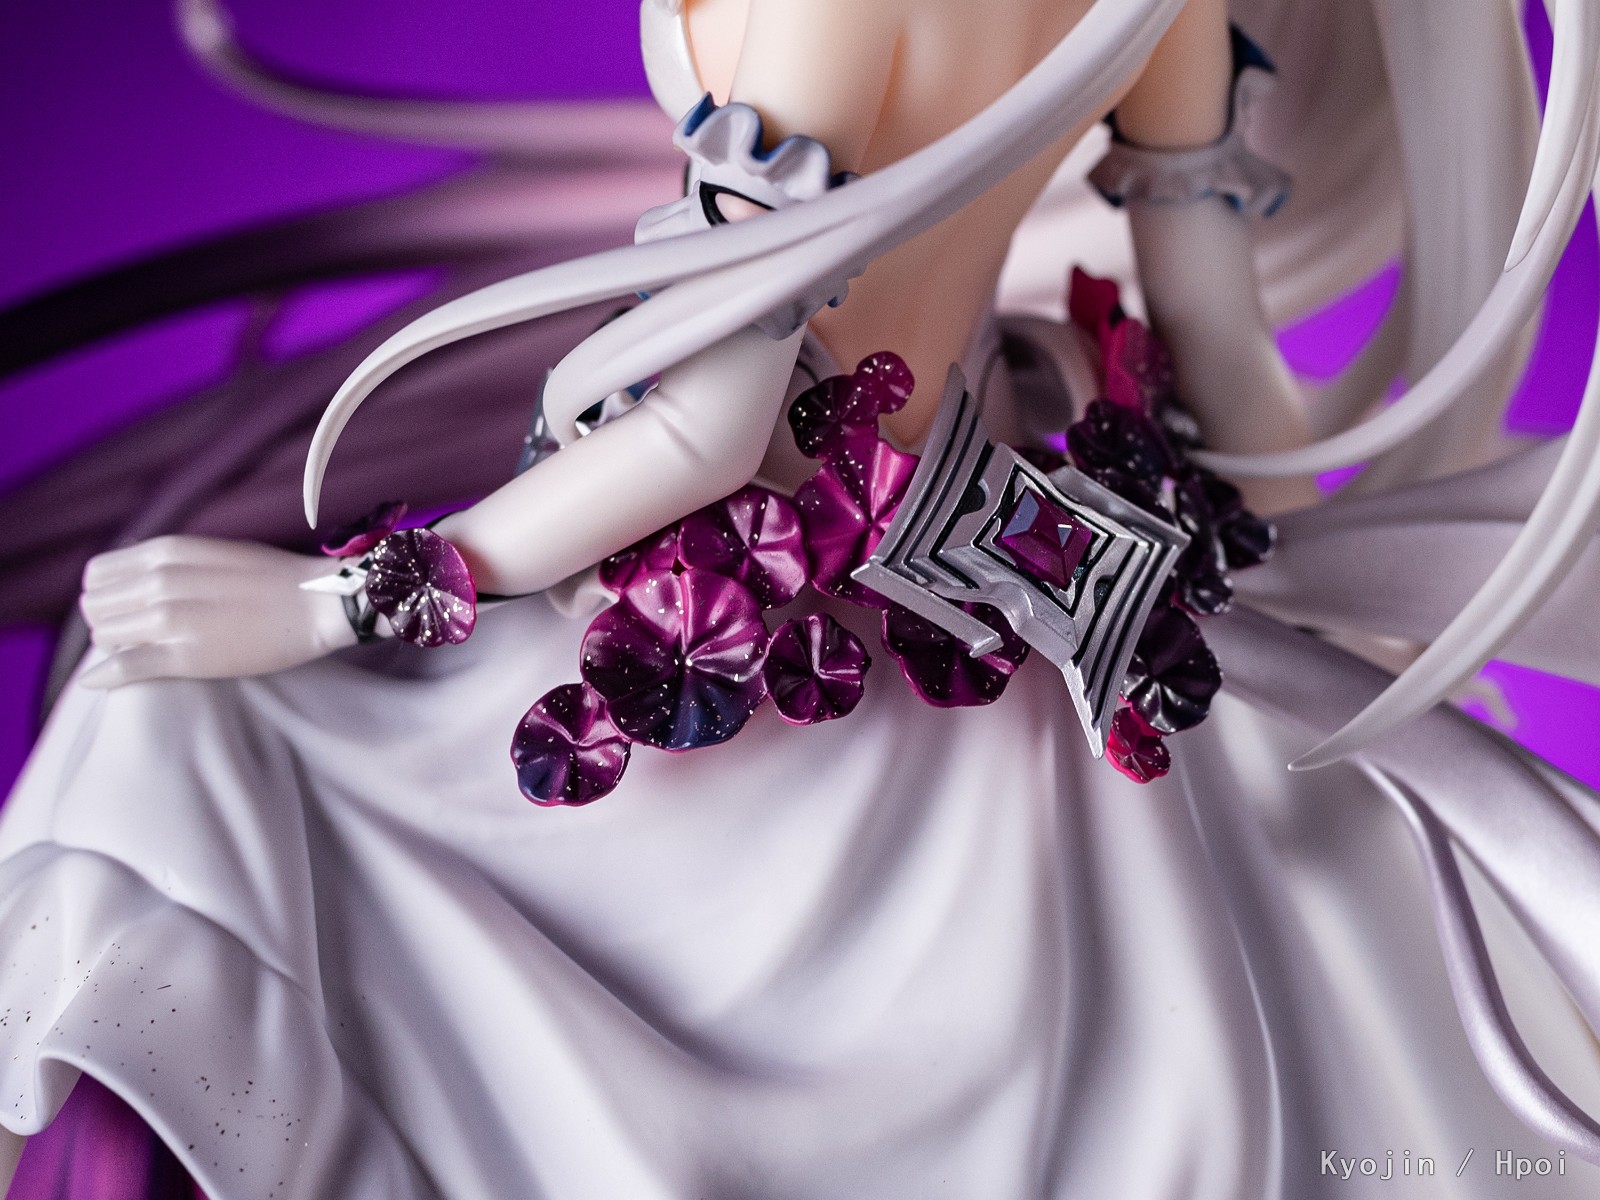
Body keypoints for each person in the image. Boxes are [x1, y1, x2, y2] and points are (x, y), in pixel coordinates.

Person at [4, 0, 1600, 1195]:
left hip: (762, 628)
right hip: (960, 609)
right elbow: (1229, 370)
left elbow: (705, 433)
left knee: (181, 759)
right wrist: (1311, 613)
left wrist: (343, 605)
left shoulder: (827, 11)